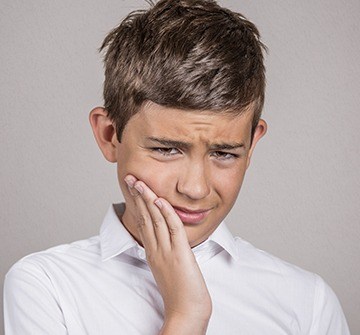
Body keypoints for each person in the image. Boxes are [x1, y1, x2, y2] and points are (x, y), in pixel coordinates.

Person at [3, 0, 350, 334]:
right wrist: (186, 316)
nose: (195, 189)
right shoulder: (47, 287)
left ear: (252, 144)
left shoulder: (306, 303)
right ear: (110, 136)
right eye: (167, 149)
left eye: (225, 154)